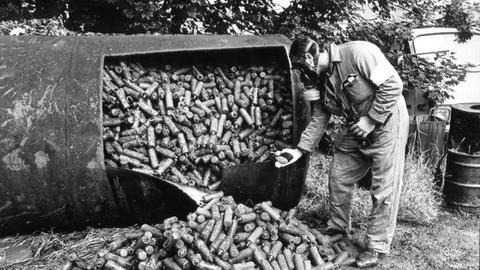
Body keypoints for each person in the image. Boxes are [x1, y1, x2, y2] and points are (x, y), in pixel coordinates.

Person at [276, 36, 409, 268]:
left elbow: (393, 86)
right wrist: (299, 150)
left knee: (383, 186)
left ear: (309, 58)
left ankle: (376, 246)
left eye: (300, 66)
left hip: (387, 121)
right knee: (339, 172)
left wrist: (371, 120)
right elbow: (319, 118)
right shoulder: (317, 79)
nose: (301, 73)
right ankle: (338, 226)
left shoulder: (359, 54)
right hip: (358, 125)